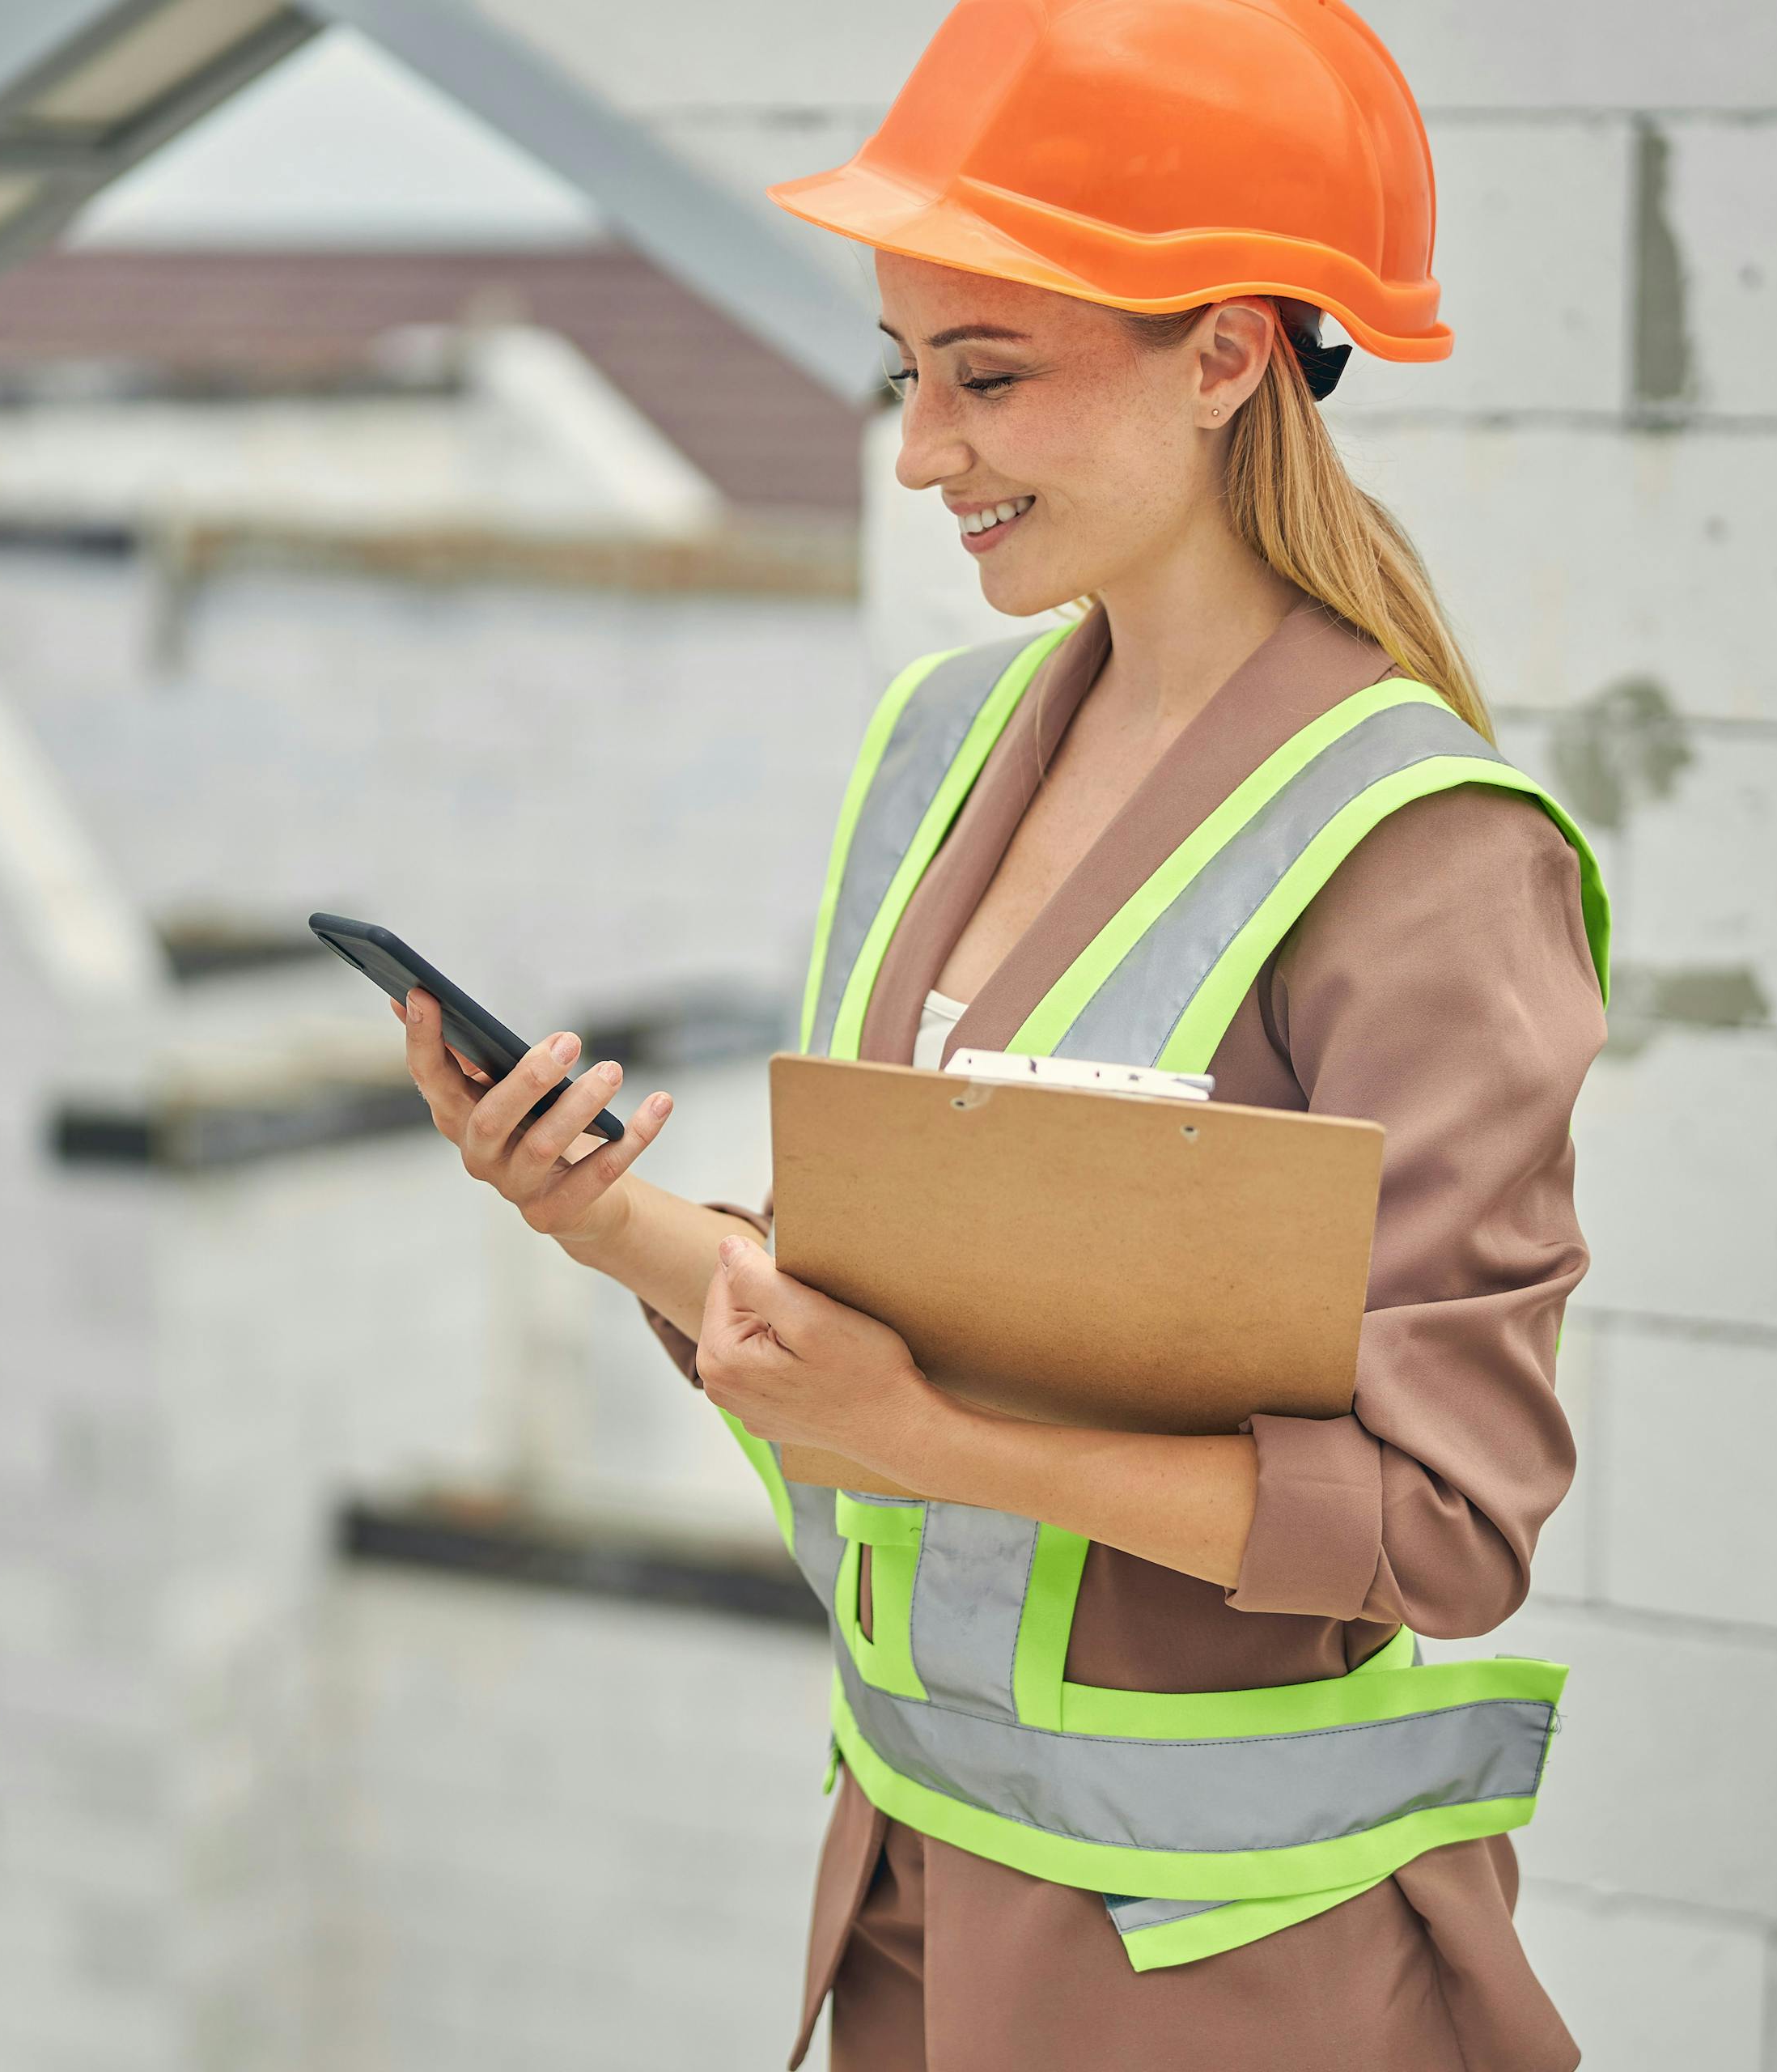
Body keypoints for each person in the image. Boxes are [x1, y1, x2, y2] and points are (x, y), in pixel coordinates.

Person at [385, 2, 1609, 2063]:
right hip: (909, 1904)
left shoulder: (1426, 857)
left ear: (1226, 352)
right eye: (907, 369)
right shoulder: (945, 747)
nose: (921, 452)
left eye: (990, 373)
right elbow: (879, 1327)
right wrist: (600, 1221)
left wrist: (932, 1442)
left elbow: (1444, 1524)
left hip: (1219, 1978)